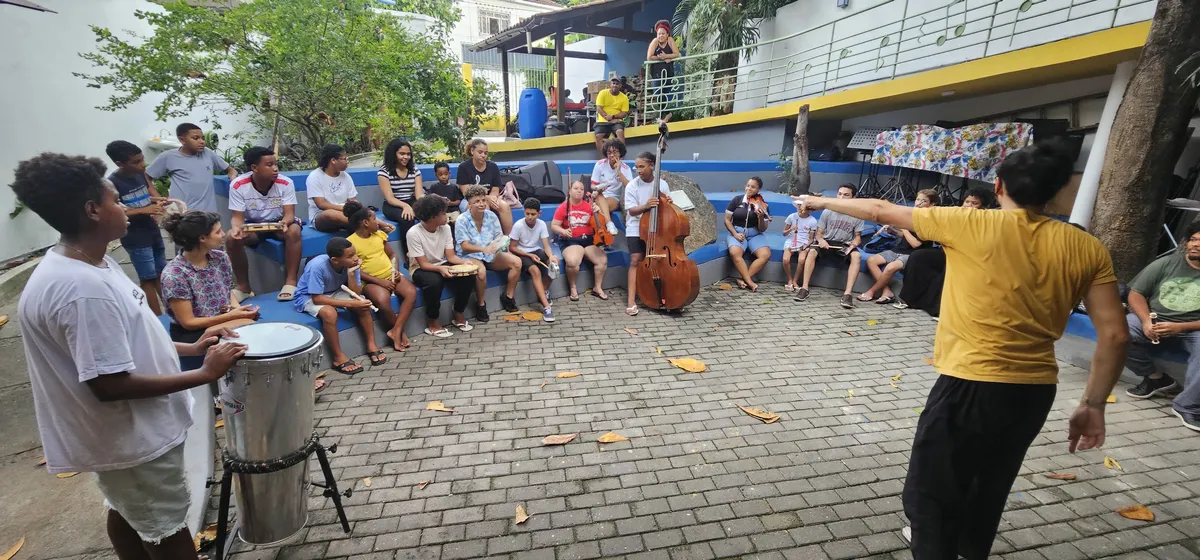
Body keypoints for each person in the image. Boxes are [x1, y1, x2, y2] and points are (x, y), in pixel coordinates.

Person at [795, 141, 1128, 560]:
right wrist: (1093, 404)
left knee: (930, 496)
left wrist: (816, 199)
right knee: (990, 486)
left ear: (998, 185)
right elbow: (1115, 335)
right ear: (1058, 193)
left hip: (969, 385)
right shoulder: (1087, 247)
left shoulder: (970, 223)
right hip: (1034, 392)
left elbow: (880, 210)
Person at [11, 152, 247, 560]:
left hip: (128, 437)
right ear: (92, 211)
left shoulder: (93, 263)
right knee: (167, 527)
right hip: (129, 437)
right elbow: (108, 383)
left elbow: (127, 342)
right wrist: (205, 373)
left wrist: (192, 347)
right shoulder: (81, 290)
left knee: (128, 512)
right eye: (114, 200)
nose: (123, 206)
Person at [1121, 221, 1200, 430]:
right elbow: (1135, 293)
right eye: (1193, 239)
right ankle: (1155, 379)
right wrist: (1146, 320)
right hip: (1156, 319)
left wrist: (1181, 327)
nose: (1195, 245)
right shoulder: (1166, 263)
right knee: (1118, 333)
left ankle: (1187, 406)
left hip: (1194, 327)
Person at [160, 211, 258, 352]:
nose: (223, 234)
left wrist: (237, 310)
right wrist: (232, 316)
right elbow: (188, 322)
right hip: (192, 334)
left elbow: (226, 290)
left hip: (223, 320)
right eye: (218, 232)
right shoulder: (174, 275)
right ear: (202, 238)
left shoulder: (220, 258)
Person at [894, 187, 995, 315]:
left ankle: (939, 310)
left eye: (974, 203)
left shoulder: (985, 221)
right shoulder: (955, 215)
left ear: (982, 207)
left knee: (948, 269)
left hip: (968, 256)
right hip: (947, 251)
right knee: (918, 256)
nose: (969, 206)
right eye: (967, 202)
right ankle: (909, 299)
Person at [294, 238, 385, 375]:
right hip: (308, 295)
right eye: (350, 256)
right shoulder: (317, 266)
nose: (355, 258)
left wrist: (351, 274)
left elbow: (357, 293)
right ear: (335, 260)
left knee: (363, 305)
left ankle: (371, 344)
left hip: (336, 290)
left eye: (355, 253)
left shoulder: (353, 264)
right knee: (329, 313)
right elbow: (317, 298)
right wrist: (351, 303)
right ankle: (338, 358)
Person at [225, 146, 303, 302]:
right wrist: (237, 229)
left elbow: (289, 215)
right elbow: (237, 217)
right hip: (252, 225)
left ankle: (291, 281)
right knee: (231, 238)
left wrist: (284, 223)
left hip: (279, 223)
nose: (275, 169)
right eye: (269, 165)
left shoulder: (285, 183)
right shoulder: (238, 185)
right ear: (254, 168)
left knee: (293, 230)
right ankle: (244, 287)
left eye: (276, 164)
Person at [343, 200, 418, 353]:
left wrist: (395, 270)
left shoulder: (379, 235)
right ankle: (400, 333)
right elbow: (356, 269)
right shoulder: (351, 243)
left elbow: (391, 254)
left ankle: (396, 330)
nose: (378, 222)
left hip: (389, 274)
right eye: (374, 219)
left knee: (411, 293)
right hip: (371, 281)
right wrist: (379, 281)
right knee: (383, 301)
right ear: (365, 222)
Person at [105, 140, 169, 316]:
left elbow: (149, 192)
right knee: (147, 278)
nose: (142, 165)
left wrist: (158, 201)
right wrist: (144, 210)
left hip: (152, 231)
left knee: (161, 273)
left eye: (142, 159)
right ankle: (157, 318)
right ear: (120, 163)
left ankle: (172, 312)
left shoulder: (141, 174)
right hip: (135, 237)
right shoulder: (112, 184)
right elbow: (115, 211)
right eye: (136, 162)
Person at [407, 195, 481, 337]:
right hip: (420, 268)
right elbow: (422, 264)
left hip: (442, 263)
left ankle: (458, 313)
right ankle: (433, 322)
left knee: (468, 277)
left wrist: (464, 263)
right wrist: (441, 269)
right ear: (432, 217)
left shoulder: (446, 228)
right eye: (442, 213)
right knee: (434, 282)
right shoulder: (413, 233)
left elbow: (451, 257)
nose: (445, 215)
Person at [857, 189, 938, 304]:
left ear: (931, 205)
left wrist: (903, 226)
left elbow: (915, 244)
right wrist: (893, 231)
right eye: (917, 199)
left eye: (923, 201)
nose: (918, 203)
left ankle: (871, 291)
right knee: (871, 260)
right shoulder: (912, 215)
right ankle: (887, 292)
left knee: (891, 267)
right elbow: (905, 236)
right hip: (898, 250)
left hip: (913, 255)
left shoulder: (929, 222)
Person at [457, 185, 522, 316]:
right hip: (470, 255)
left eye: (483, 200)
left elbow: (499, 236)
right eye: (477, 201)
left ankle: (508, 297)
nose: (481, 204)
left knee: (516, 262)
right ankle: (481, 304)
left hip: (491, 253)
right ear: (469, 204)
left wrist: (501, 245)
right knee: (481, 273)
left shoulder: (491, 216)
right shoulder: (462, 220)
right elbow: (464, 246)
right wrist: (484, 248)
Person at [796, 184, 865, 308]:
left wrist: (854, 243)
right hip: (827, 241)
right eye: (839, 194)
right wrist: (821, 240)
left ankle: (847, 294)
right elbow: (819, 234)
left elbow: (858, 236)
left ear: (853, 197)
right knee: (812, 252)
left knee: (856, 256)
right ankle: (804, 288)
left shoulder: (858, 214)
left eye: (846, 195)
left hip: (844, 244)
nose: (841, 197)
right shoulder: (828, 211)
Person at [146, 122, 237, 213]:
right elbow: (146, 177)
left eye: (202, 138)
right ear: (182, 140)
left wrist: (232, 176)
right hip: (181, 214)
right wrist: (159, 199)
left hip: (208, 214)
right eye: (196, 138)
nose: (202, 141)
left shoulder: (207, 153)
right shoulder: (168, 157)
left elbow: (230, 170)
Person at [624, 151, 672, 316]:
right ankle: (631, 301)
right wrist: (646, 206)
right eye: (636, 167)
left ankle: (661, 294)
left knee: (660, 260)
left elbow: (668, 208)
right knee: (635, 259)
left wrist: (669, 203)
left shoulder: (662, 185)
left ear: (652, 166)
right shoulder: (632, 185)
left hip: (657, 227)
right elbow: (631, 211)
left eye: (642, 166)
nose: (638, 170)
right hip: (636, 227)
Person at [309, 143, 388, 234]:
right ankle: (375, 226)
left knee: (364, 213)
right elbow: (322, 204)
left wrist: (362, 210)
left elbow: (352, 200)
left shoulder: (346, 176)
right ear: (333, 160)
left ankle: (376, 225)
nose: (347, 162)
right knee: (332, 214)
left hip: (345, 212)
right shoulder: (315, 176)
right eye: (344, 159)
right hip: (321, 216)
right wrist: (345, 209)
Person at [552, 180, 610, 301]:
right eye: (576, 188)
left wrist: (598, 212)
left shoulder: (589, 205)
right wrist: (563, 231)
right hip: (570, 240)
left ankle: (597, 288)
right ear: (569, 191)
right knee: (573, 262)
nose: (579, 191)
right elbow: (554, 226)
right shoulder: (564, 206)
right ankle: (573, 286)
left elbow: (602, 223)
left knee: (602, 260)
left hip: (588, 240)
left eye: (581, 189)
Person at [509, 197, 558, 322]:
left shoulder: (541, 224)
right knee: (535, 271)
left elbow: (546, 246)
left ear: (539, 213)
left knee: (555, 263)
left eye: (533, 214)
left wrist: (551, 256)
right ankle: (546, 307)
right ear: (524, 212)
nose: (530, 217)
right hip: (522, 253)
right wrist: (529, 256)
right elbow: (512, 247)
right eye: (527, 213)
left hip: (535, 250)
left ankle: (544, 289)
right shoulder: (518, 225)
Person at [456, 138, 514, 235]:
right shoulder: (464, 167)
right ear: (472, 151)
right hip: (469, 199)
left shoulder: (493, 167)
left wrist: (492, 198)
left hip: (490, 197)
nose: (483, 155)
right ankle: (486, 240)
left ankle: (509, 239)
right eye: (480, 152)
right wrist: (485, 198)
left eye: (485, 153)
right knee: (483, 207)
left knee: (504, 206)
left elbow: (495, 189)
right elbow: (466, 191)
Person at [724, 177, 772, 292]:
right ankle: (750, 281)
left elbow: (763, 228)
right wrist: (735, 234)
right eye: (748, 185)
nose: (749, 189)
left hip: (755, 234)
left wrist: (761, 217)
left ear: (758, 190)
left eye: (753, 187)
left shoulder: (762, 205)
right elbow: (726, 220)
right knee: (735, 253)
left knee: (765, 255)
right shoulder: (737, 200)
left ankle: (744, 280)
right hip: (738, 232)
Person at [377, 137, 424, 254]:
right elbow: (390, 198)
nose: (406, 157)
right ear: (394, 154)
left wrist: (427, 204)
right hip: (393, 204)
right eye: (402, 154)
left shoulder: (414, 171)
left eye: (408, 154)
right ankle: (410, 254)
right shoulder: (384, 172)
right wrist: (405, 206)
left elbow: (419, 195)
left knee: (429, 214)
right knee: (407, 218)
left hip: (412, 201)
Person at [589, 139, 631, 233]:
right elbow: (593, 185)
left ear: (620, 153)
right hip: (598, 194)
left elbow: (629, 187)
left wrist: (618, 171)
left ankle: (608, 225)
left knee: (598, 207)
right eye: (609, 153)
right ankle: (609, 224)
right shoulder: (600, 165)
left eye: (615, 152)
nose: (612, 155)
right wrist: (597, 188)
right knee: (599, 195)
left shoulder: (626, 168)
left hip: (613, 198)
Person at [782, 200, 818, 293]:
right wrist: (790, 229)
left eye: (803, 206)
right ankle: (790, 279)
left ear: (809, 210)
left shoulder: (812, 221)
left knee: (801, 260)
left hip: (804, 241)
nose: (800, 208)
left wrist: (806, 245)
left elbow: (811, 238)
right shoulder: (791, 216)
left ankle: (795, 280)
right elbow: (784, 233)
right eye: (799, 205)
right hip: (791, 240)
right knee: (786, 260)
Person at [645, 20, 680, 111]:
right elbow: (649, 57)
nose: (661, 36)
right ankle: (660, 113)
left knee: (668, 93)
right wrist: (661, 58)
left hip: (668, 72)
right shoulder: (655, 41)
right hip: (657, 73)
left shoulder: (670, 40)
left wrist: (666, 56)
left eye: (663, 34)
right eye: (659, 34)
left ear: (667, 34)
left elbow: (676, 54)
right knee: (658, 93)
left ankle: (666, 113)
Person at [594, 77, 630, 156]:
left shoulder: (624, 97)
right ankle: (603, 157)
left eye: (617, 84)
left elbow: (624, 113)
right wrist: (608, 118)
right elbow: (599, 108)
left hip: (616, 121)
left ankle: (621, 156)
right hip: (603, 121)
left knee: (620, 132)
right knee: (598, 136)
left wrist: (613, 117)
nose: (615, 85)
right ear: (610, 84)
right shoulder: (603, 93)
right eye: (613, 83)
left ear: (620, 86)